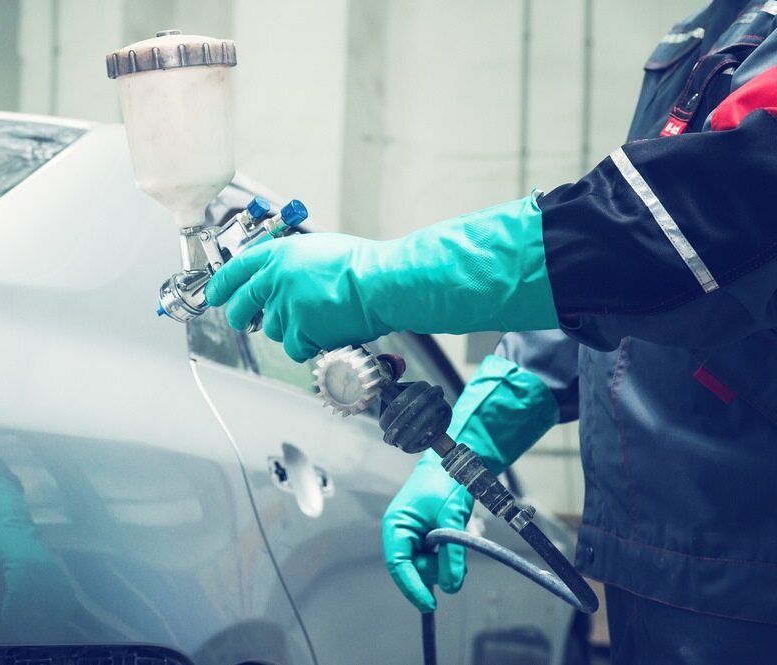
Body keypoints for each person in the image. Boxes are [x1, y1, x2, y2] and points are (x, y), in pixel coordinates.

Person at [205, 2, 777, 662]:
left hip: (750, 573)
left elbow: (678, 229)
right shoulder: (726, 22)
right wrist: (467, 449)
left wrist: (376, 277)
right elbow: (628, 291)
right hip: (663, 565)